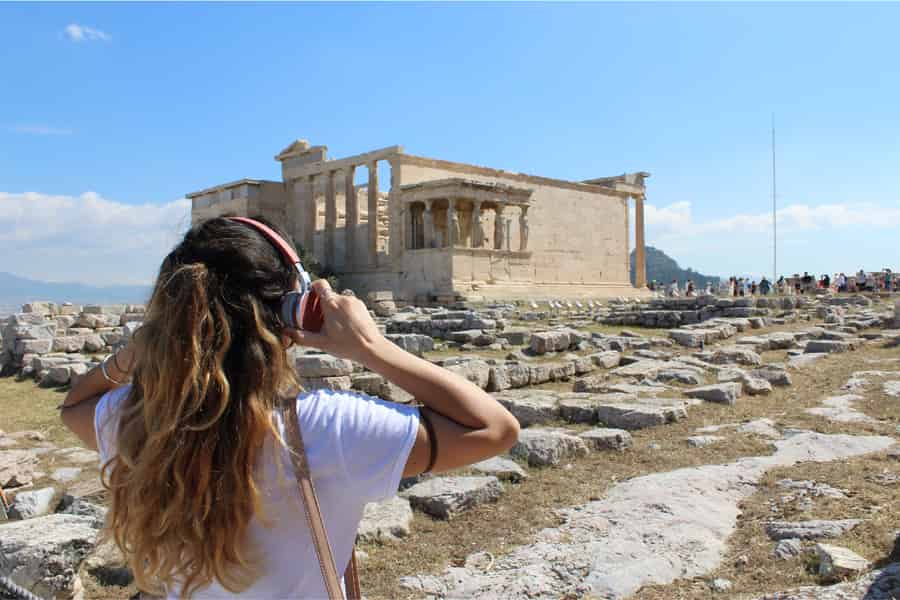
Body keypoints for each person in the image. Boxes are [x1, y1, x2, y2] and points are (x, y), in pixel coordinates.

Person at [60, 217, 519, 599]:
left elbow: (74, 406)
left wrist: (131, 355)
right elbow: (494, 427)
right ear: (294, 312)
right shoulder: (330, 427)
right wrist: (372, 348)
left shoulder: (138, 420)